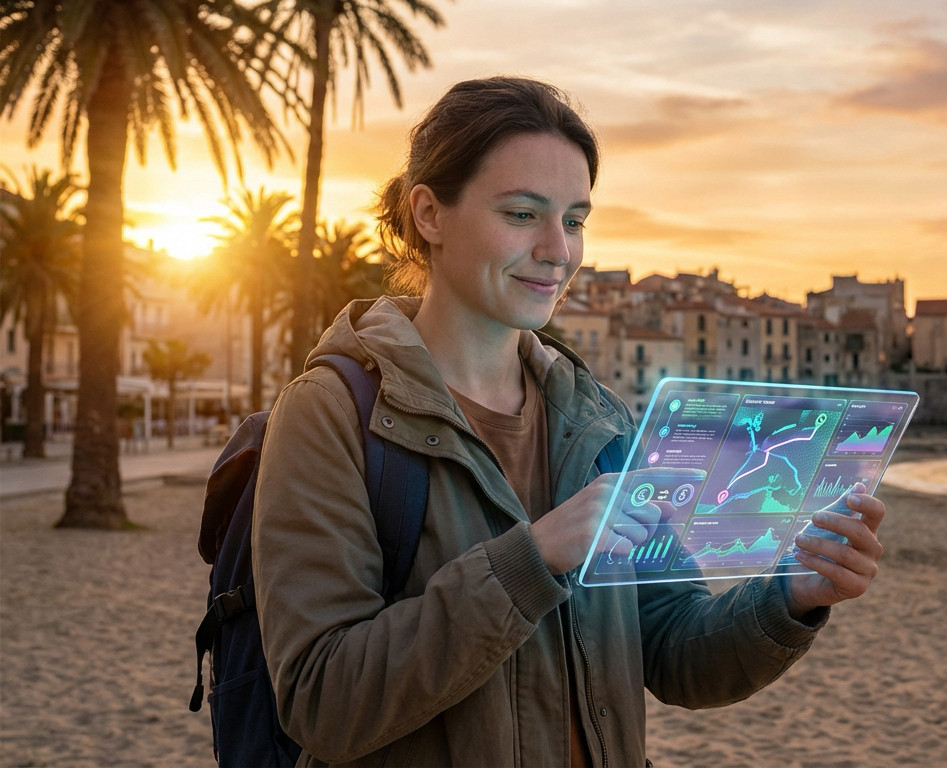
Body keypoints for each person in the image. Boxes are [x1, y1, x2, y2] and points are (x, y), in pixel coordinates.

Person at [251, 76, 887, 767]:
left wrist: (790, 596)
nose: (559, 250)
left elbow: (675, 649)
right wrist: (534, 559)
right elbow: (321, 702)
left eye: (575, 219)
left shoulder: (597, 419)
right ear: (429, 214)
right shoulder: (331, 414)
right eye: (523, 215)